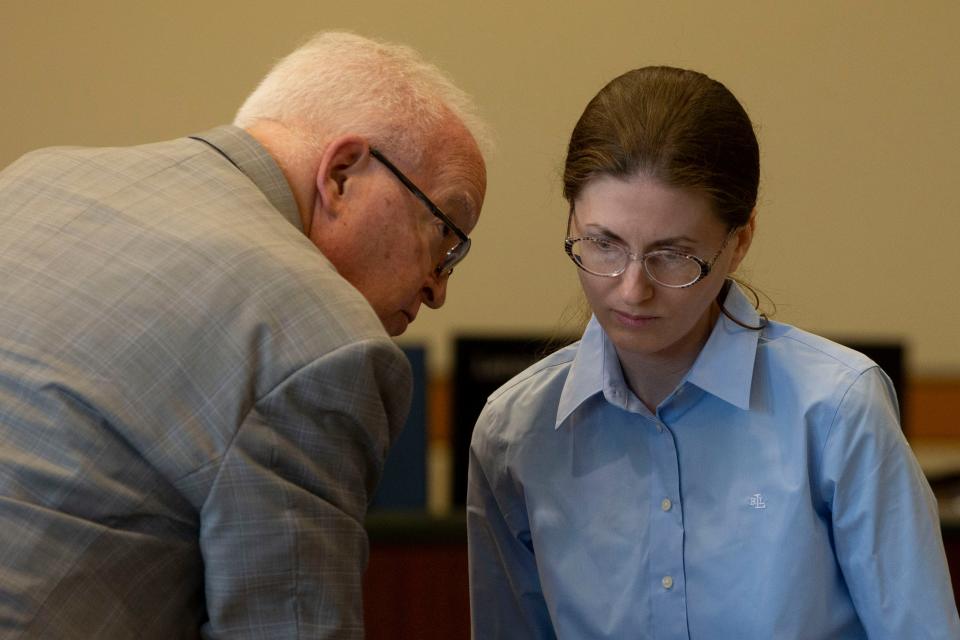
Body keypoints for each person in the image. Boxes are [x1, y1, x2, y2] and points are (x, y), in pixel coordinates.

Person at [0, 31, 487, 638]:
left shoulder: (35, 182)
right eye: (443, 236)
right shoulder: (320, 339)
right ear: (340, 174)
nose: (438, 289)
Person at [467, 66, 959, 639]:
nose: (631, 289)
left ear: (739, 241)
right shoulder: (514, 433)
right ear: (571, 219)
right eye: (603, 244)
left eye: (672, 255)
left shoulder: (834, 411)